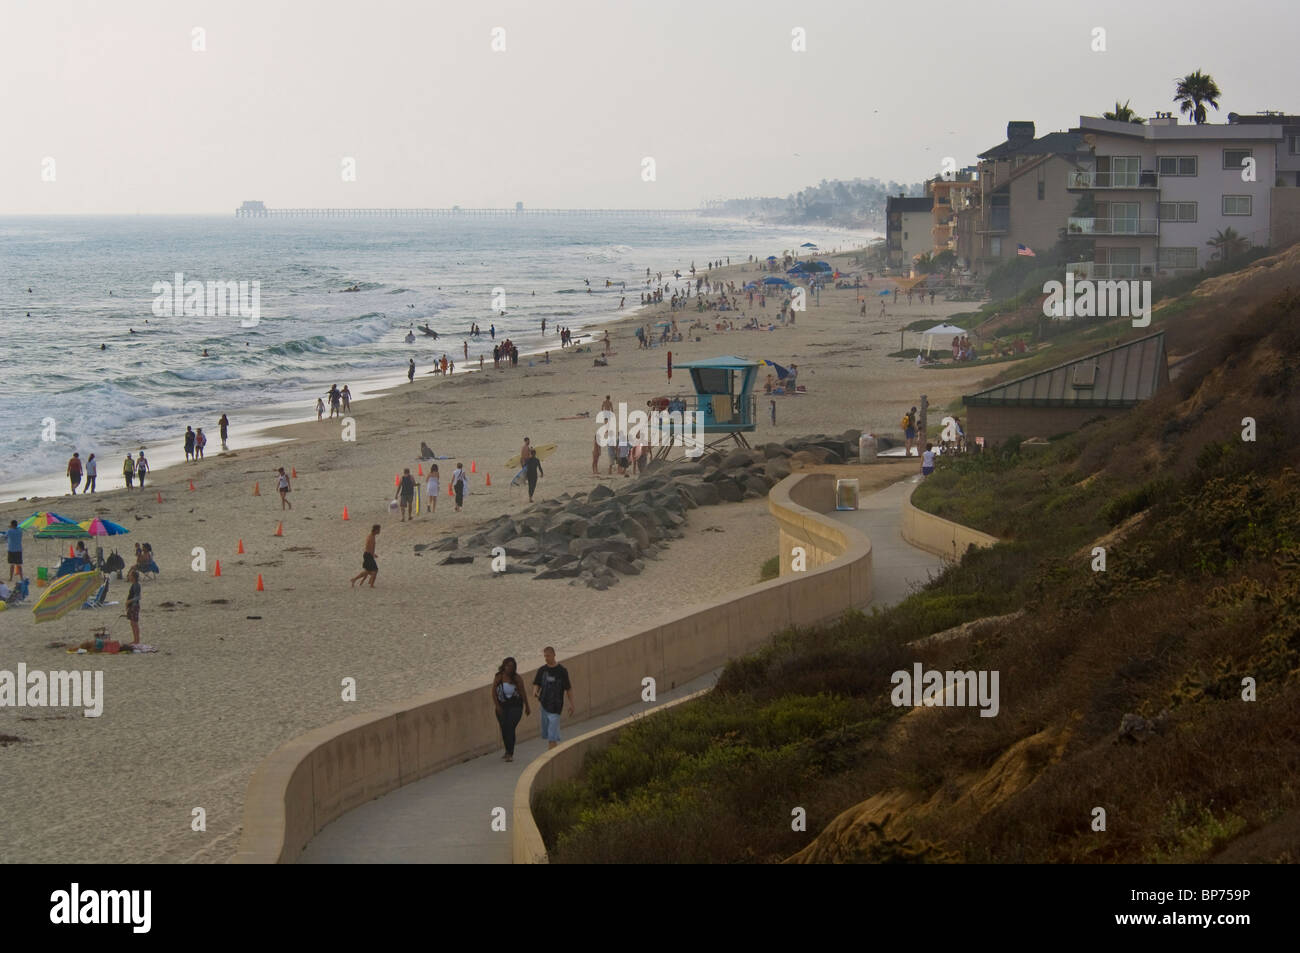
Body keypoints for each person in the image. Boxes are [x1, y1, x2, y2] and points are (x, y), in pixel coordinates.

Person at [532, 646, 574, 749]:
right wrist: (535, 691)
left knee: (552, 737)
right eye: (545, 656)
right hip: (544, 707)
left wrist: (571, 704)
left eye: (548, 656)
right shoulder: (542, 670)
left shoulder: (562, 671)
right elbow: (536, 683)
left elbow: (568, 688)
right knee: (547, 734)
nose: (546, 658)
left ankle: (551, 758)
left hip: (556, 708)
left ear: (554, 655)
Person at [492, 657, 531, 763]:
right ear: (504, 666)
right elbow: (493, 692)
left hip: (516, 706)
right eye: (508, 666)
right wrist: (497, 706)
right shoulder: (499, 677)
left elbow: (523, 692)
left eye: (512, 666)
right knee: (504, 728)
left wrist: (527, 706)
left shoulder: (517, 678)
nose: (510, 668)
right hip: (502, 706)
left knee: (510, 726)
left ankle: (510, 753)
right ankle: (507, 750)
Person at [125, 569, 142, 644]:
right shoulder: (134, 585)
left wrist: (129, 601)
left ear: (133, 577)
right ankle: (135, 639)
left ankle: (137, 640)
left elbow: (138, 597)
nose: (128, 576)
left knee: (135, 623)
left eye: (130, 575)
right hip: (132, 606)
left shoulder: (136, 585)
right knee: (132, 623)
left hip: (134, 606)